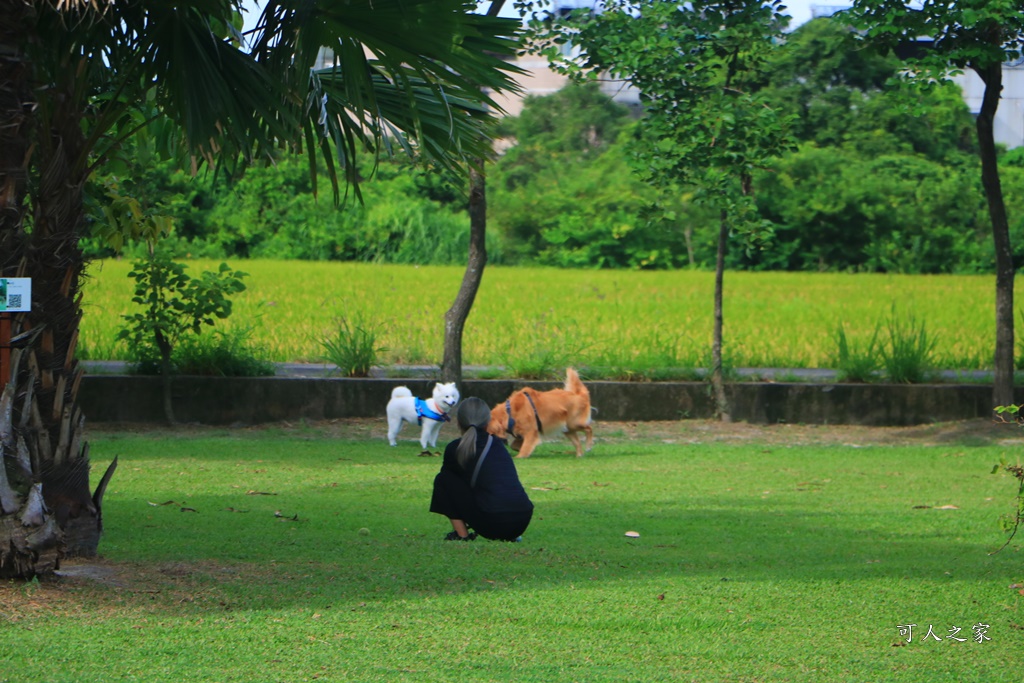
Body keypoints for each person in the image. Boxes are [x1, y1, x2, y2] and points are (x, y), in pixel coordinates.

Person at [429, 397, 534, 541]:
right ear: (488, 420)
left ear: (459, 422)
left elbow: (452, 487)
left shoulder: (455, 448)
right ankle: (511, 536)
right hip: (522, 520)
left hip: (492, 522)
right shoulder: (498, 445)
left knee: (443, 479)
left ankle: (462, 535)